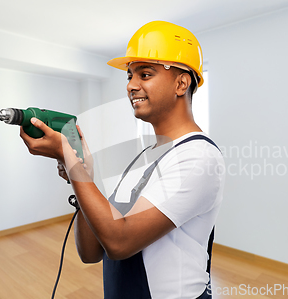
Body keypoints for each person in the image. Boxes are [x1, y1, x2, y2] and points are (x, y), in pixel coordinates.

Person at [20, 20, 225, 299]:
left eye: (145, 74)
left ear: (181, 83)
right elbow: (91, 251)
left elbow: (119, 242)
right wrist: (80, 175)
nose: (131, 85)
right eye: (129, 76)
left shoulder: (199, 157)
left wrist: (70, 161)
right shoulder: (147, 156)